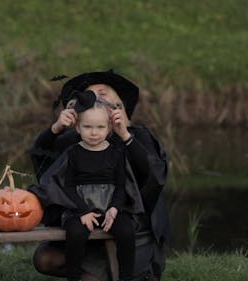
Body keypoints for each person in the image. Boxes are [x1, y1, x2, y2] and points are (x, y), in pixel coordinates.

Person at [28, 70, 170, 281]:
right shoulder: (75, 142)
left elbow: (153, 177)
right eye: (90, 93)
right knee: (44, 258)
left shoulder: (138, 137)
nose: (97, 90)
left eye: (106, 91)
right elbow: (45, 169)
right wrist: (56, 129)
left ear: (120, 107)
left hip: (130, 229)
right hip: (85, 226)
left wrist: (124, 135)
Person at [58, 92, 136, 281]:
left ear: (109, 127)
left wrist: (114, 209)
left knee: (126, 231)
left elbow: (120, 186)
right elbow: (68, 187)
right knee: (75, 233)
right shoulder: (73, 153)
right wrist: (82, 211)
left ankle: (126, 277)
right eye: (88, 127)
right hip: (80, 209)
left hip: (109, 208)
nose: (94, 132)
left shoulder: (116, 153)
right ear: (77, 127)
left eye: (100, 127)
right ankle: (74, 276)